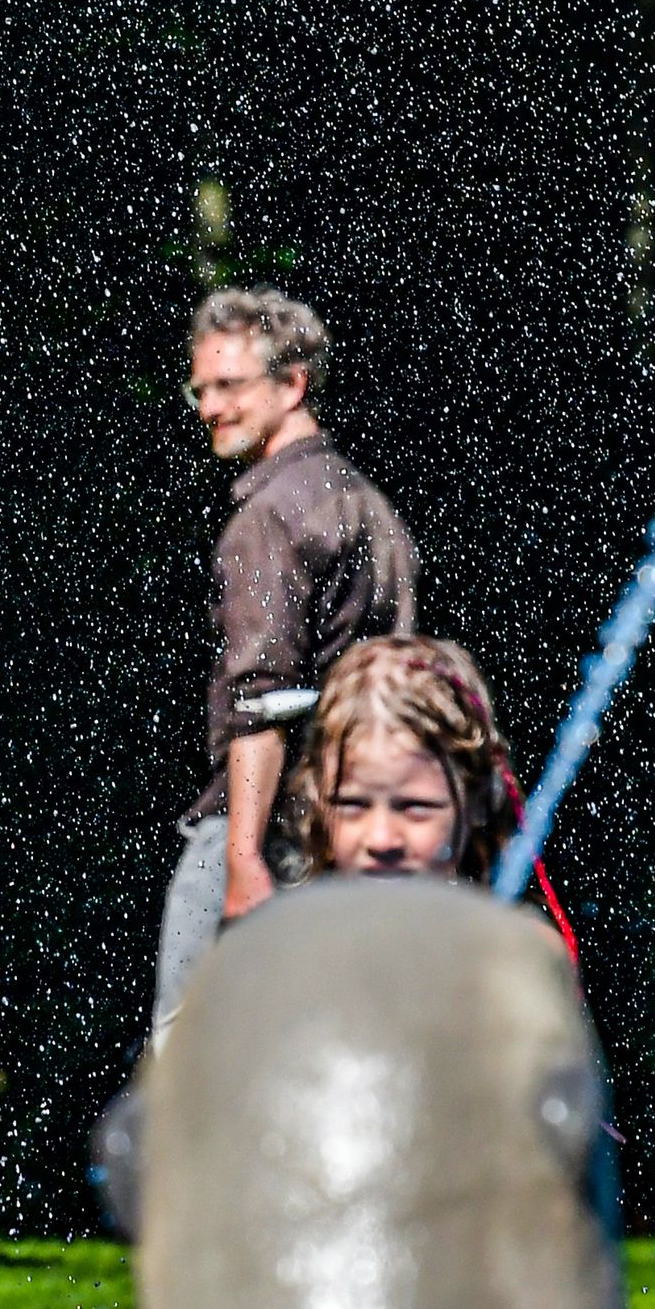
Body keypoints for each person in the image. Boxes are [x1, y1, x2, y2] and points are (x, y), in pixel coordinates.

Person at [156, 282, 418, 1043]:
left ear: (292, 383)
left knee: (186, 1065)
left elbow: (262, 704)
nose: (209, 407)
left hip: (265, 830)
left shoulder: (267, 517)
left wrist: (241, 860)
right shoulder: (368, 504)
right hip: (351, 829)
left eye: (230, 385)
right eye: (200, 387)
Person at [262, 632, 512, 889]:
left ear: (481, 798)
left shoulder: (505, 930)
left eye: (415, 808)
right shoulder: (292, 927)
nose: (381, 840)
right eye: (352, 805)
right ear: (315, 797)